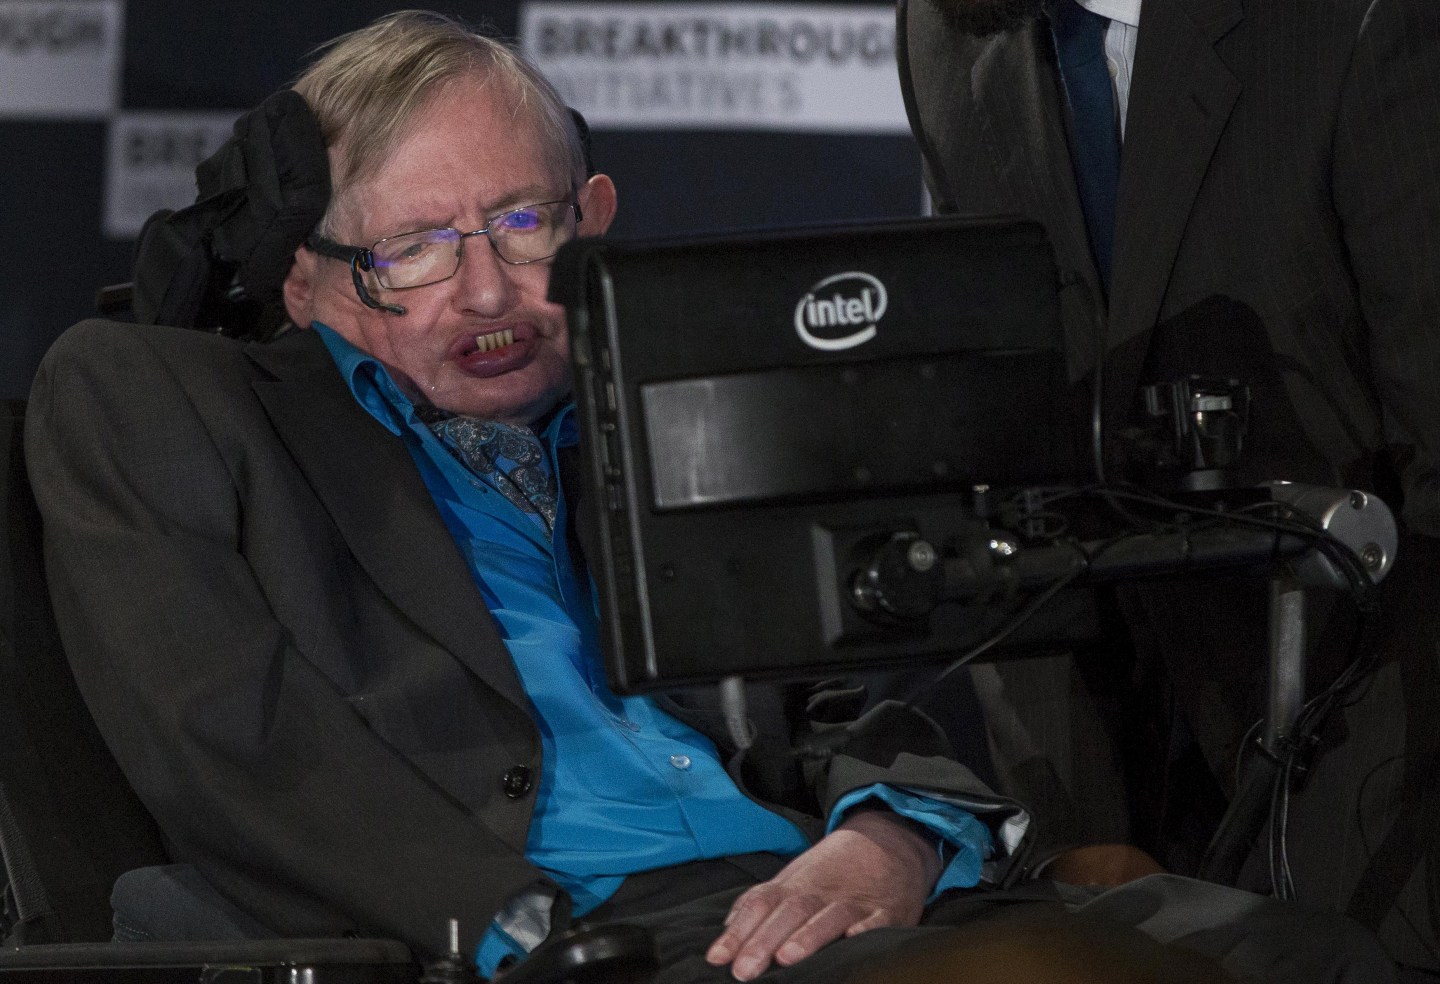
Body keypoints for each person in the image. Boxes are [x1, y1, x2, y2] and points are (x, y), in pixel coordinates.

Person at [24, 9, 1405, 984]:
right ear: (309, 275)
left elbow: (882, 678)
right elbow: (238, 752)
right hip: (588, 926)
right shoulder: (172, 409)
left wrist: (892, 833)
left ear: (598, 216)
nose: (489, 292)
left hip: (834, 900)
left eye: (523, 223)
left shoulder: (673, 403)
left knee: (1317, 958)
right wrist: (525, 936)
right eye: (416, 249)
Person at [896, 0, 1440, 970]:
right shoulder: (947, 32)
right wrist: (1071, 835)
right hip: (1149, 819)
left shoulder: (1363, 24)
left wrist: (1355, 849)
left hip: (1392, 766)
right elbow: (1011, 474)